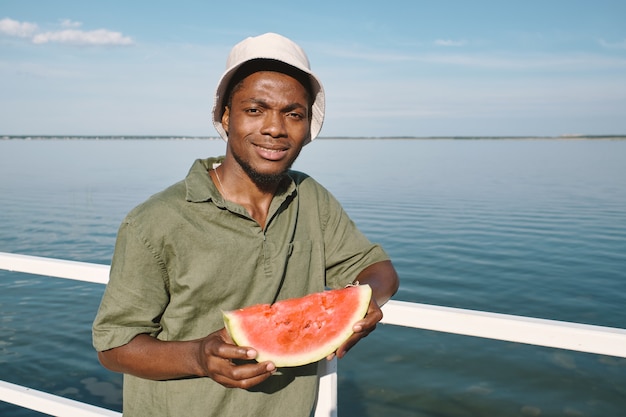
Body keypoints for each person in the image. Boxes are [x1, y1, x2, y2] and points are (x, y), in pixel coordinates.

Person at [92, 32, 399, 417]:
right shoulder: (155, 221)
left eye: (294, 113)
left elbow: (379, 270)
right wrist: (197, 357)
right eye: (255, 110)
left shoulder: (311, 198)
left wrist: (362, 303)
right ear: (225, 116)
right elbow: (113, 348)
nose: (275, 128)